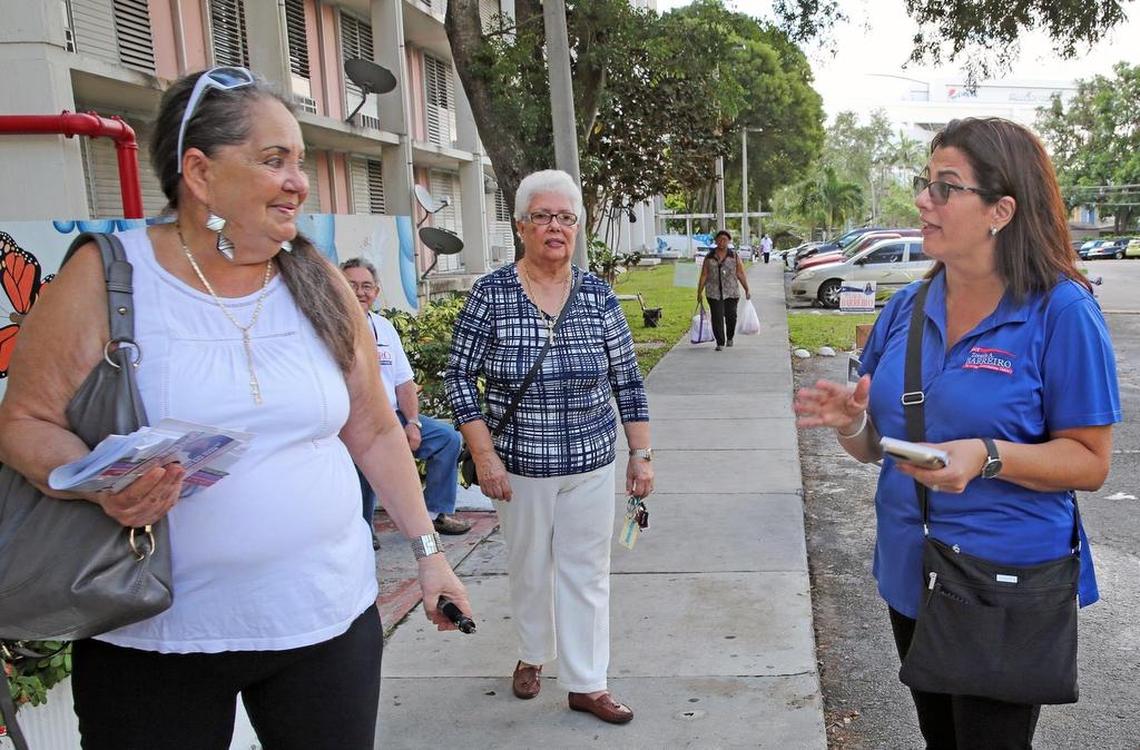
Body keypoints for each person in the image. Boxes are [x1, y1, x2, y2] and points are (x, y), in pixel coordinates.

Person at [0, 67, 472, 750]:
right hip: (156, 636)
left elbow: (370, 428)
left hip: (326, 623)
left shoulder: (319, 279)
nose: (298, 182)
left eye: (299, 162)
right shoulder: (105, 276)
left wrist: (430, 555)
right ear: (199, 172)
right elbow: (23, 424)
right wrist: (99, 481)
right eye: (273, 159)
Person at [793, 117, 1120, 749]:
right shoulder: (907, 308)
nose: (923, 200)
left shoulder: (1063, 311)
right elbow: (877, 448)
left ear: (1001, 209)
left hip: (1003, 582)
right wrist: (853, 422)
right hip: (912, 570)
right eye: (926, 182)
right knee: (940, 739)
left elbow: (1091, 462)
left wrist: (988, 457)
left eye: (946, 186)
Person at [444, 169, 653, 725]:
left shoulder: (599, 296)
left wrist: (641, 454)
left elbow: (627, 380)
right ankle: (534, 654)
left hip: (590, 460)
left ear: (577, 228)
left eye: (564, 217)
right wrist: (484, 455)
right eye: (542, 217)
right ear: (520, 227)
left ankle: (587, 683)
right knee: (530, 566)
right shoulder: (492, 294)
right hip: (519, 467)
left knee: (587, 571)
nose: (554, 227)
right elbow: (459, 376)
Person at [340, 257, 471, 545]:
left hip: (394, 417)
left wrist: (412, 422)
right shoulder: (329, 329)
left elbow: (404, 381)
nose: (361, 292)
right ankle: (363, 528)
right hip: (352, 421)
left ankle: (433, 513)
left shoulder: (384, 327)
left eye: (367, 286)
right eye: (352, 285)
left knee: (447, 439)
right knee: (361, 456)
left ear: (376, 291)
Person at [696, 229, 751, 351]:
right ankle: (720, 342)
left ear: (728, 242)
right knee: (717, 317)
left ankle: (730, 337)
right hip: (713, 292)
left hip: (731, 292)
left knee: (731, 316)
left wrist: (747, 289)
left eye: (724, 240)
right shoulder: (709, 257)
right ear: (715, 241)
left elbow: (740, 273)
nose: (721, 242)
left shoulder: (734, 256)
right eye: (719, 239)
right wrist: (699, 291)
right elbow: (704, 275)